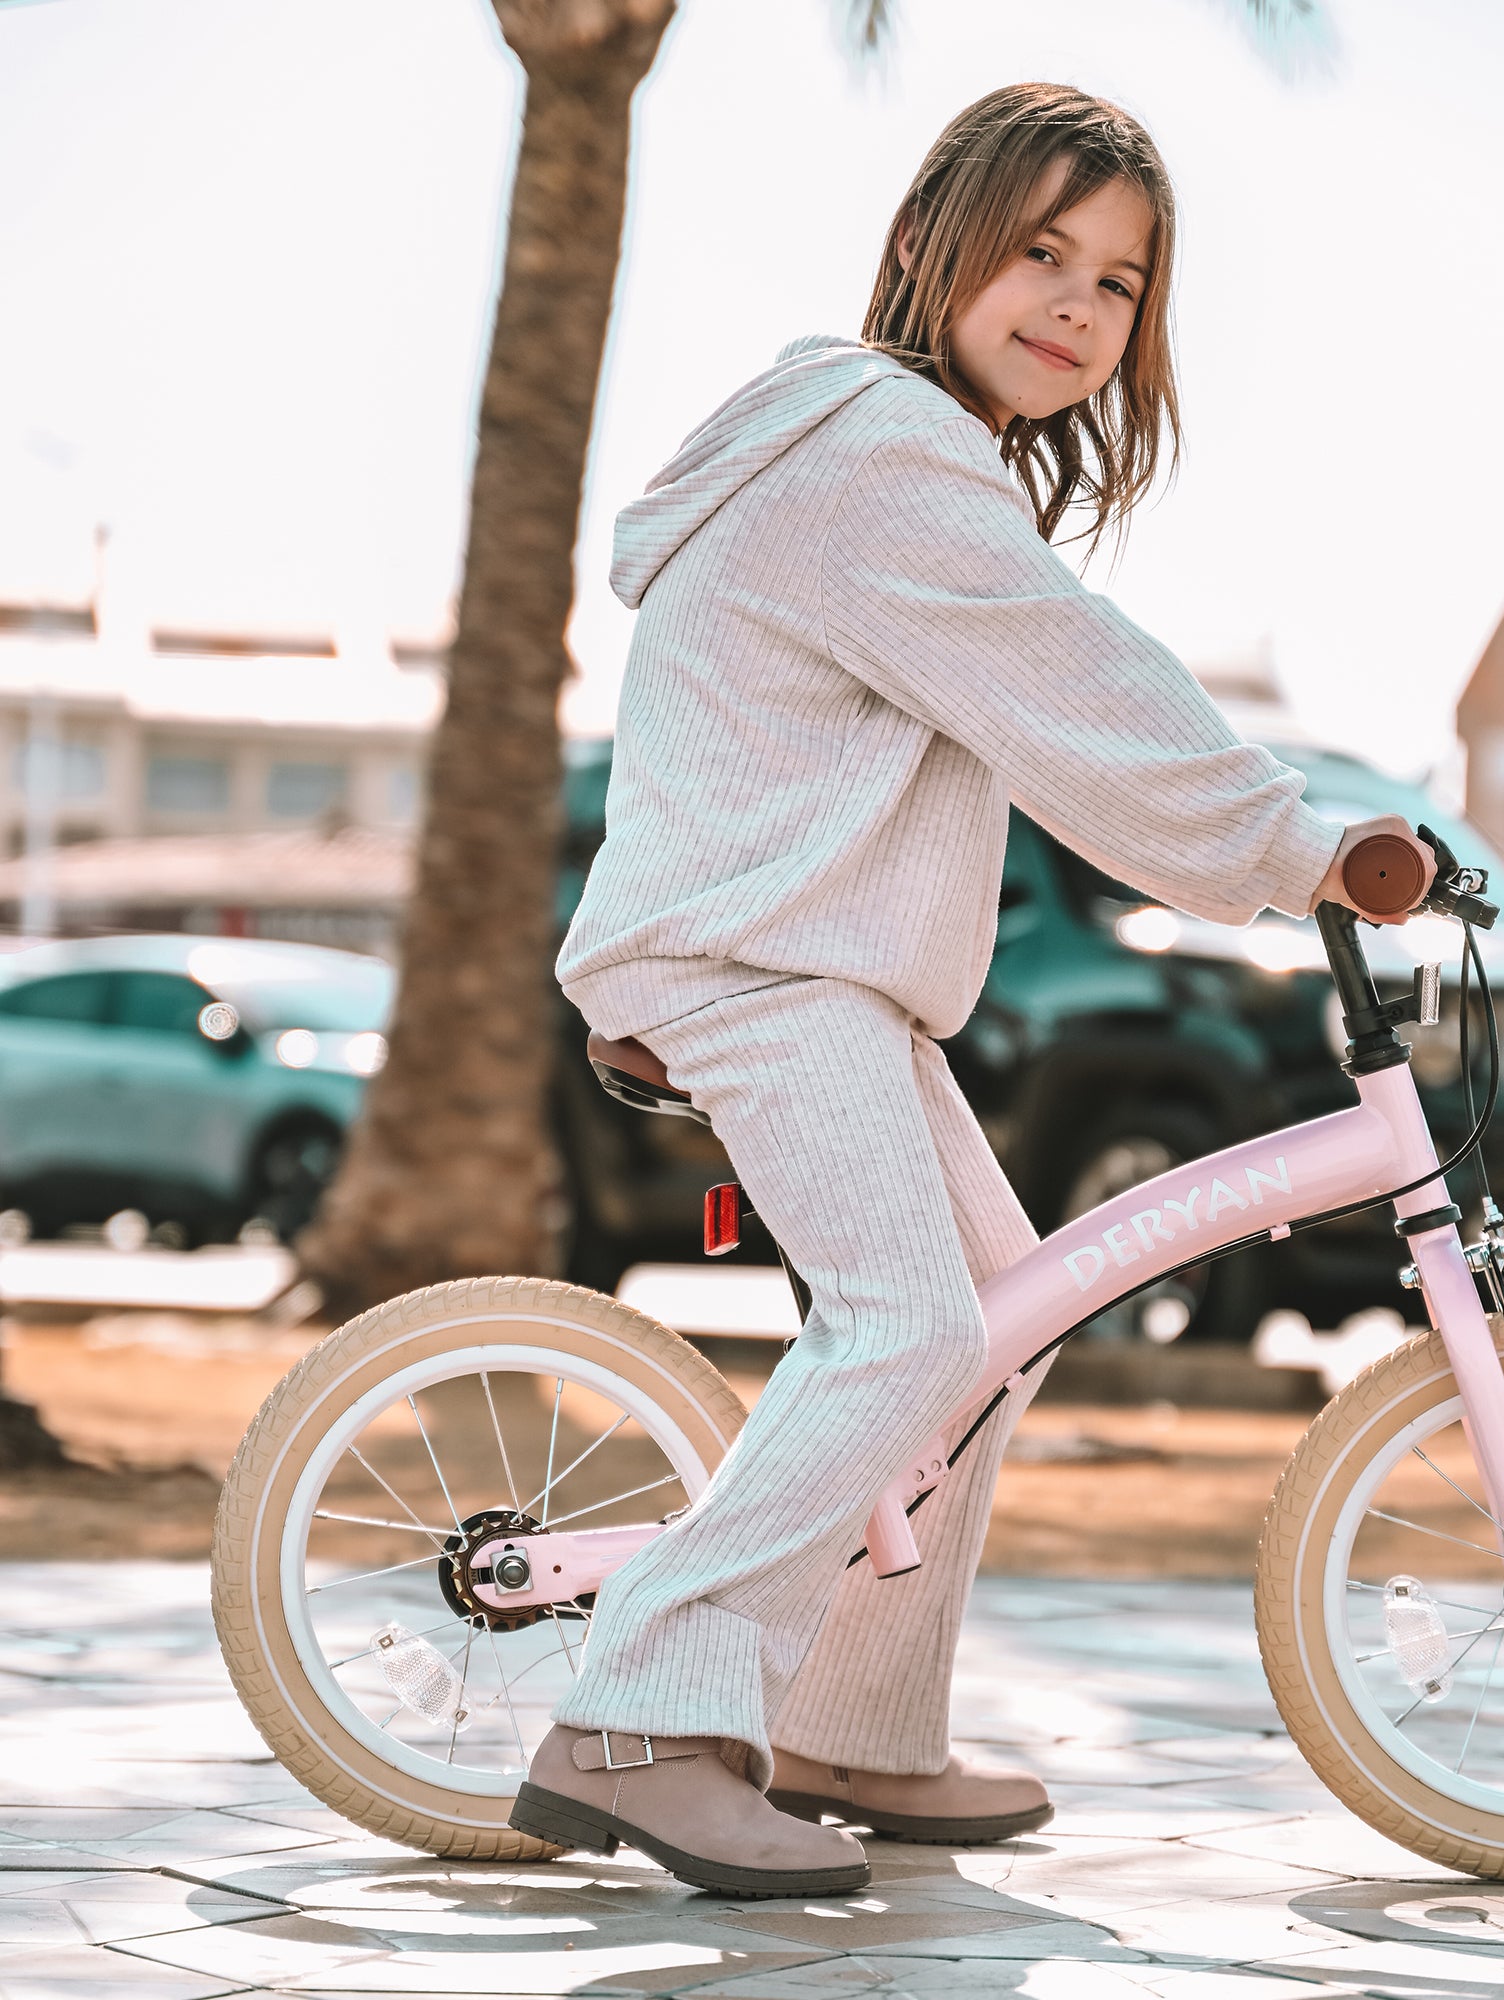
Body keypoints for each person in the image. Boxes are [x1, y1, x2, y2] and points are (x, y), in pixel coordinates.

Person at [510, 81, 1433, 1897]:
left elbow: (1045, 690)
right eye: (1040, 253)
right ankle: (635, 1720)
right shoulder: (882, 450)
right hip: (751, 959)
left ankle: (848, 1725)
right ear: (936, 241)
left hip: (808, 962)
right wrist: (1297, 846)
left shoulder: (896, 450)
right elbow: (1083, 690)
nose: (1077, 306)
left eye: (1120, 283)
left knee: (995, 1321)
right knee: (909, 1324)